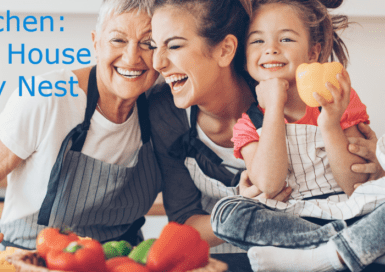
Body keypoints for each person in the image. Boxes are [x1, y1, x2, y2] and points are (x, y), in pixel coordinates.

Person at [147, 0, 379, 256]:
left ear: (227, 50)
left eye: (175, 45)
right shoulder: (172, 113)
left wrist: (369, 157)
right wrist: (247, 206)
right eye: (153, 45)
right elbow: (185, 222)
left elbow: (359, 182)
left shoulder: (306, 91)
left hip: (344, 220)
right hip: (257, 248)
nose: (157, 62)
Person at [0, 0, 162, 258]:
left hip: (121, 260)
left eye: (149, 43)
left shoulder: (165, 108)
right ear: (96, 43)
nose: (131, 57)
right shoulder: (47, 97)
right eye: (118, 40)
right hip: (31, 260)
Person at [209, 1, 385, 271]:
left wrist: (329, 123)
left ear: (313, 52)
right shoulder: (248, 124)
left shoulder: (337, 100)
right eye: (257, 41)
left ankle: (324, 255)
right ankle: (340, 248)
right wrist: (274, 107)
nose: (271, 49)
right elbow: (270, 184)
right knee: (225, 214)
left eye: (286, 38)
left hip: (351, 211)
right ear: (244, 57)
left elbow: (355, 183)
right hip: (293, 221)